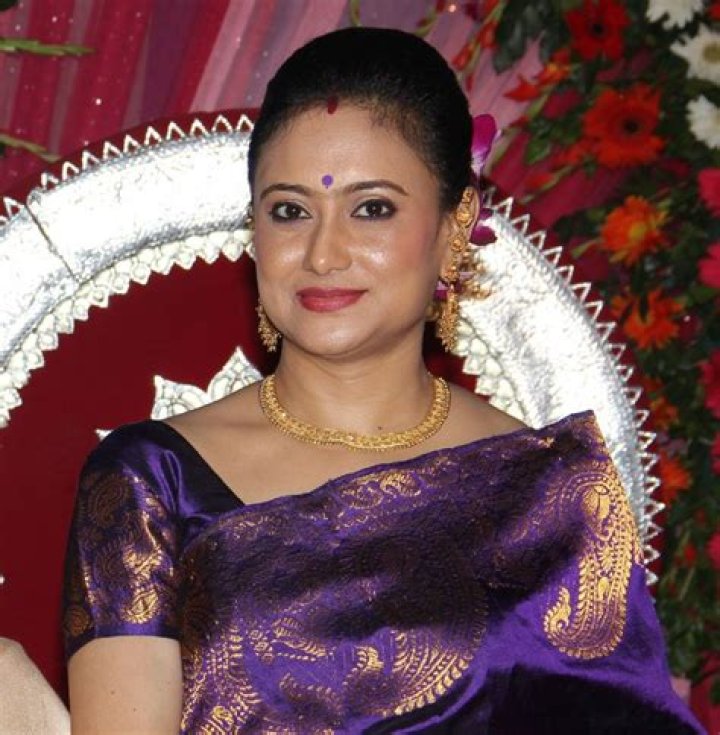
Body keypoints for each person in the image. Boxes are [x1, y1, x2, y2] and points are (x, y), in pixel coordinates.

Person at [63, 27, 703, 734]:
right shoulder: (151, 482)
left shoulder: (546, 490)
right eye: (289, 211)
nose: (323, 253)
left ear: (455, 226)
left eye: (372, 208)